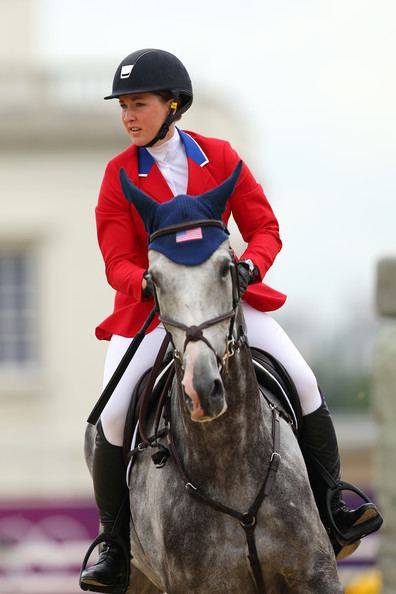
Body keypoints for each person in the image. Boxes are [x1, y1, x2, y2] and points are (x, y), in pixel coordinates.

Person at [80, 48, 382, 593]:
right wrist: (142, 282)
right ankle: (112, 544)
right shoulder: (117, 175)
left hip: (227, 303)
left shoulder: (218, 158)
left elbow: (265, 228)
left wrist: (249, 268)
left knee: (305, 382)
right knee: (114, 414)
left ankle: (333, 501)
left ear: (172, 105)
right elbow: (114, 257)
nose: (128, 116)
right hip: (154, 313)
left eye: (139, 104)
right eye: (123, 105)